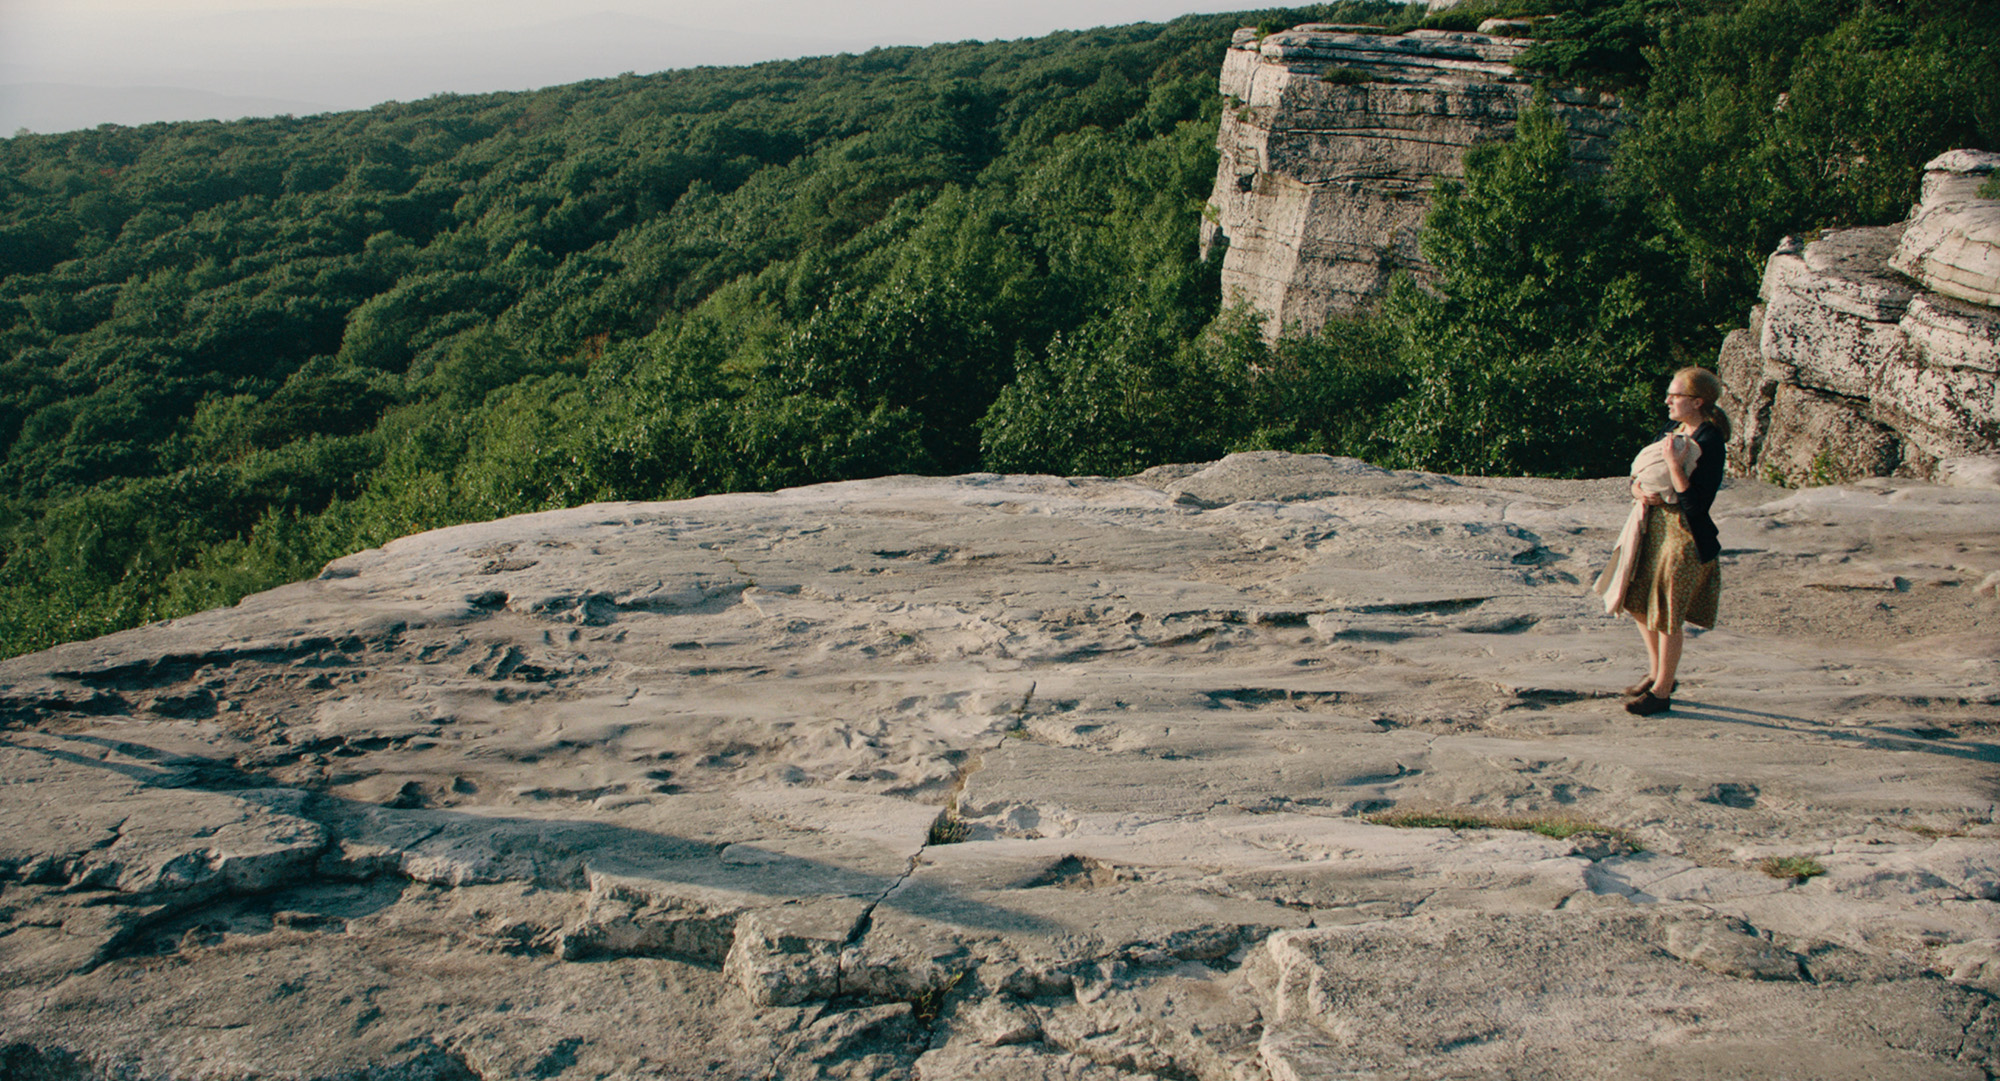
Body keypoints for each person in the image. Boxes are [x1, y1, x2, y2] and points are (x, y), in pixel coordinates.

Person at [1616, 367, 1728, 716]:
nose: (1667, 400)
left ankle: (1662, 691)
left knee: (1667, 613)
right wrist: (1636, 490)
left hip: (1684, 535)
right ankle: (1655, 673)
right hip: (1652, 526)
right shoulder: (1671, 429)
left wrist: (1674, 465)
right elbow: (1642, 474)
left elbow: (1696, 503)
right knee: (1635, 599)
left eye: (1675, 396)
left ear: (1697, 402)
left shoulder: (1710, 442)